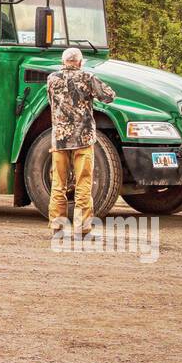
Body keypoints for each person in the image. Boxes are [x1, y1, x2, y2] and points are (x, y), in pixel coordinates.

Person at [45, 46, 116, 235]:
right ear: (80, 62)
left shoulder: (52, 79)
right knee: (84, 182)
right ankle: (83, 226)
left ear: (63, 62)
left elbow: (51, 102)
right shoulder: (87, 78)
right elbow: (109, 96)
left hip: (59, 139)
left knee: (58, 183)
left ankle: (57, 224)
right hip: (83, 139)